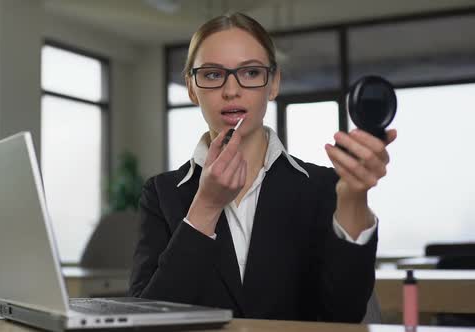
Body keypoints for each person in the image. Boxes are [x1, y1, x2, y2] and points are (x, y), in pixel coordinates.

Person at [129, 12, 397, 322]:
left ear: (273, 84)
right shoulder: (161, 194)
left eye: (251, 73)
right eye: (213, 75)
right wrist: (205, 206)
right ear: (191, 87)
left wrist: (353, 197)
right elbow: (146, 320)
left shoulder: (324, 186)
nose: (231, 90)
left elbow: (344, 314)